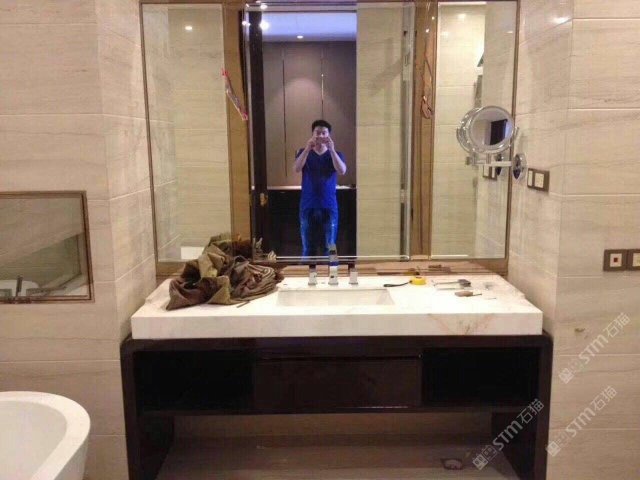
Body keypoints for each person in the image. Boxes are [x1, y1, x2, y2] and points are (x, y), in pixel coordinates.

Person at [293, 119, 347, 257]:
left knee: (331, 247)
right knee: (307, 248)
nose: (321, 136)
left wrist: (332, 150)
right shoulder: (302, 152)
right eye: (318, 133)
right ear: (312, 134)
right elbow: (296, 169)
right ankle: (307, 271)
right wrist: (307, 149)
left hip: (329, 205)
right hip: (307, 205)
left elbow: (342, 170)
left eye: (324, 133)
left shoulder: (336, 154)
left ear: (329, 135)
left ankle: (332, 271)